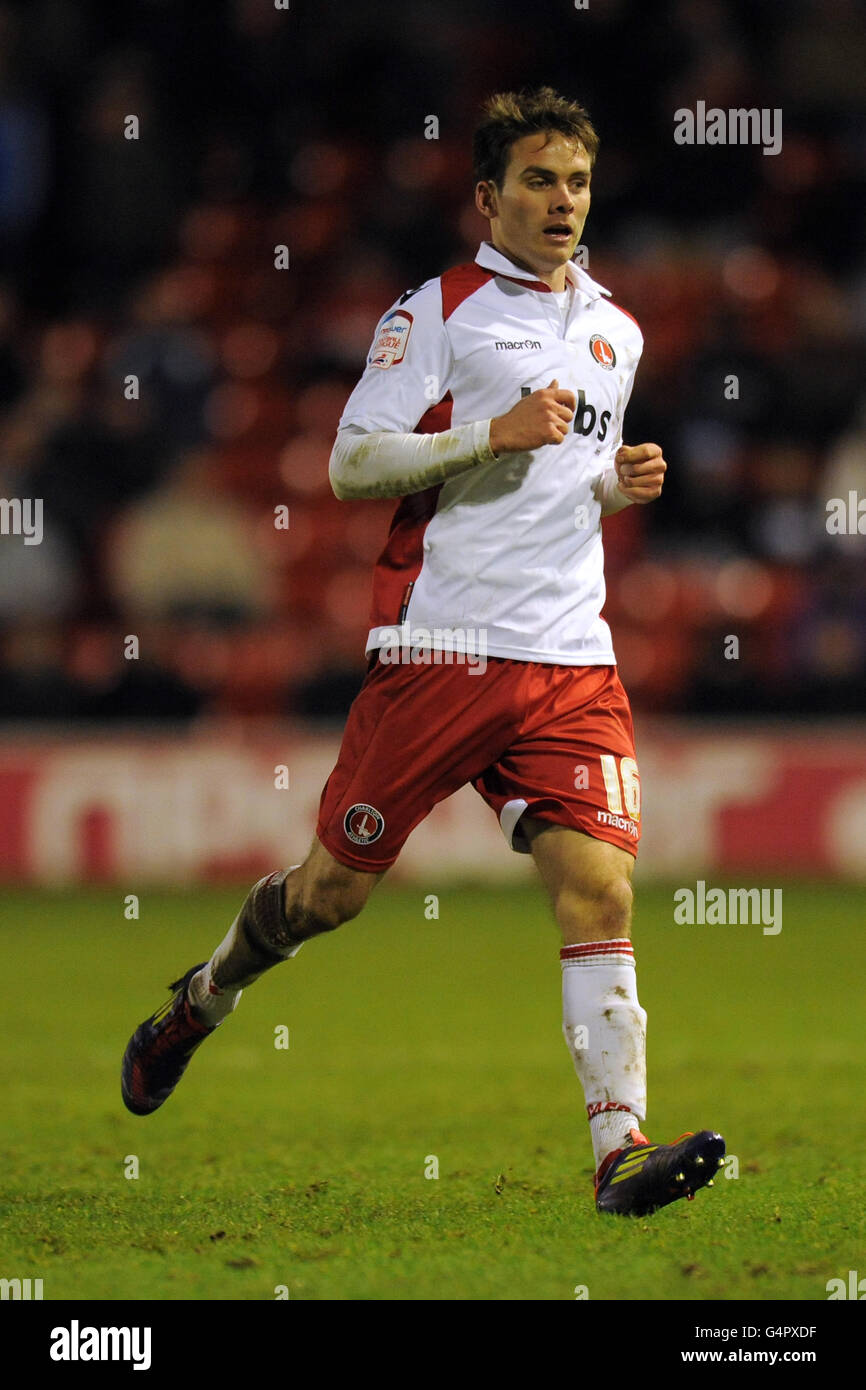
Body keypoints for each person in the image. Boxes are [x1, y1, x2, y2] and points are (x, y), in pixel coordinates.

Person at [122, 87, 724, 1216]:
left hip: (568, 654)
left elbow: (557, 484)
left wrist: (613, 481)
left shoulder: (615, 329)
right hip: (442, 643)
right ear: (487, 196)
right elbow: (351, 466)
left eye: (578, 182)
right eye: (539, 181)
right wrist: (484, 432)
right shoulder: (433, 313)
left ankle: (618, 1149)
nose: (562, 202)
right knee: (328, 896)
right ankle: (200, 1001)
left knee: (599, 887)